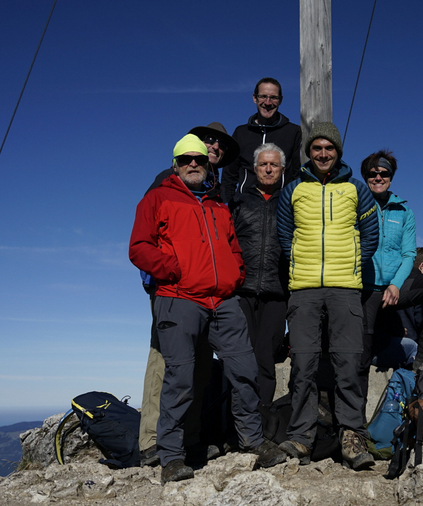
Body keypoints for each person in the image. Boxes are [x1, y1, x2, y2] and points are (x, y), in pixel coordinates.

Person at [129, 134, 286, 483]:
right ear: (175, 165)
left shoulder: (217, 205)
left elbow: (232, 248)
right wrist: (173, 271)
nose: (194, 164)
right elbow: (139, 247)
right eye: (186, 159)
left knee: (244, 370)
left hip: (223, 300)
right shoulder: (158, 198)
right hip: (179, 298)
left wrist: (234, 276)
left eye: (198, 159)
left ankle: (253, 440)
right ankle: (170, 457)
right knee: (180, 378)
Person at [275, 122, 379, 470]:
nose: (322, 154)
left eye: (329, 148)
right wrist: (301, 263)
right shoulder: (294, 190)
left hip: (345, 289)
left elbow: (370, 234)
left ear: (338, 152)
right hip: (303, 289)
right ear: (309, 152)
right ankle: (302, 437)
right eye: (317, 148)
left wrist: (350, 264)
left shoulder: (355, 189)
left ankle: (352, 438)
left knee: (347, 365)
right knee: (303, 365)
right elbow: (284, 235)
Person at [136, 122, 239, 467]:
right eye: (207, 141)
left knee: (198, 365)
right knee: (166, 360)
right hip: (168, 289)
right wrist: (167, 273)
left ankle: (188, 438)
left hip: (204, 293)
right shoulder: (169, 181)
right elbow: (147, 238)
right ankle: (153, 441)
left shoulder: (214, 191)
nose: (213, 147)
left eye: (219, 146)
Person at [358, 152, 423, 406]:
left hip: (397, 284)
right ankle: (354, 422)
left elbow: (409, 253)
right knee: (362, 352)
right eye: (373, 173)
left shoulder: (404, 211)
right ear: (365, 176)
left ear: (391, 177)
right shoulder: (354, 203)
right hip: (365, 288)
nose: (378, 177)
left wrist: (395, 284)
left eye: (384, 173)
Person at [229, 143, 290, 409]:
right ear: (254, 169)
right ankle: (235, 419)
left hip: (277, 293)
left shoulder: (291, 202)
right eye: (263, 164)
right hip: (241, 291)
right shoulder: (239, 201)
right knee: (240, 357)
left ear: (282, 170)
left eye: (273, 165)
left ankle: (261, 419)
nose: (268, 169)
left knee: (266, 357)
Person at [220, 77, 302, 202]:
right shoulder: (241, 133)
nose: (268, 102)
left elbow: (297, 174)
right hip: (245, 208)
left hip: (281, 207)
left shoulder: (293, 132)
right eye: (263, 96)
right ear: (255, 98)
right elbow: (229, 177)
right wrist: (229, 206)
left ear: (280, 100)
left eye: (273, 97)